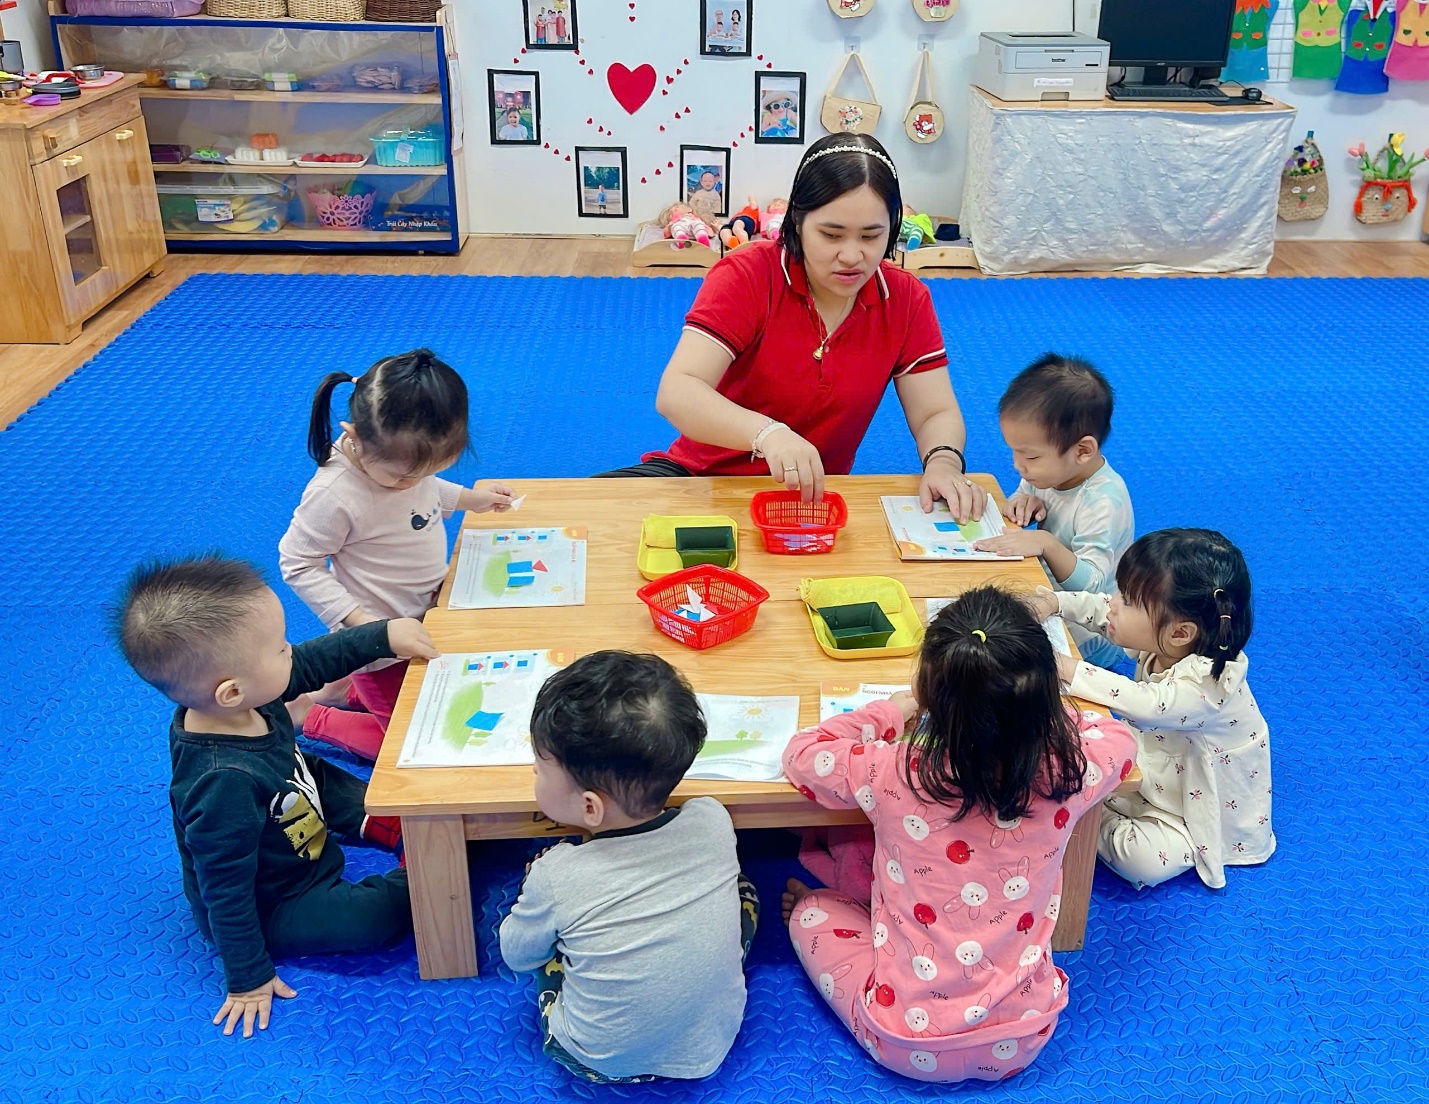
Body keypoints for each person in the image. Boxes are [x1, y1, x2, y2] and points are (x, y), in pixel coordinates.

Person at [781, 587, 1137, 1082]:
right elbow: (1118, 737)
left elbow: (803, 755)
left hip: (903, 1040)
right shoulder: (1068, 775)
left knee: (810, 910)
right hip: (1024, 1037)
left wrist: (890, 710)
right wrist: (1044, 715)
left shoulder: (895, 770)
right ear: (1043, 701)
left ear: (929, 694)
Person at [112, 556, 436, 1037]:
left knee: (321, 774)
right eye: (280, 649)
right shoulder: (220, 782)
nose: (292, 653)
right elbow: (224, 888)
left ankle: (383, 822)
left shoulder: (249, 695)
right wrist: (247, 978)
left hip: (292, 805)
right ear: (230, 691)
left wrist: (384, 637)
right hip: (277, 902)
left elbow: (313, 661)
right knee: (364, 922)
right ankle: (427, 877)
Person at [599, 133, 985, 523]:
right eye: (831, 235)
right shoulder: (748, 276)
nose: (852, 256)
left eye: (871, 236)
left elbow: (934, 412)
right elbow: (677, 391)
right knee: (585, 526)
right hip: (701, 480)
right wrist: (768, 435)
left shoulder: (904, 299)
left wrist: (943, 462)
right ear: (797, 222)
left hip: (807, 504)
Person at [499, 652, 758, 1083]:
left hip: (599, 1059)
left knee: (553, 951)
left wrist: (539, 884)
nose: (532, 770)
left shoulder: (558, 874)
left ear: (589, 808)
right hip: (710, 1046)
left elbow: (518, 955)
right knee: (744, 895)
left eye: (540, 766)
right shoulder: (713, 818)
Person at [278, 349, 514, 761]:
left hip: (425, 615)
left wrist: (471, 499)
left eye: (425, 471)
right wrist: (364, 627)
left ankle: (337, 685)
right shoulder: (334, 495)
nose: (413, 483)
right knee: (413, 742)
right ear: (353, 435)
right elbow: (298, 563)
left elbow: (424, 488)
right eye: (403, 475)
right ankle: (309, 713)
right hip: (379, 643)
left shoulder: (399, 464)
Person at [1032, 528, 1273, 890]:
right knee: (1083, 736)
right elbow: (1102, 611)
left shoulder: (1208, 683)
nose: (1113, 602)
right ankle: (1098, 805)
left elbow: (1147, 705)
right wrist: (1056, 603)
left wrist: (1066, 668)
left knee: (1141, 861)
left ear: (1180, 632)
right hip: (1164, 761)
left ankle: (1088, 815)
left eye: (1128, 600)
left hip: (1192, 808)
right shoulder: (1170, 638)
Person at [974, 355, 1134, 668]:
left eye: (1030, 457)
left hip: (1095, 627)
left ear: (1083, 451)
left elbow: (1092, 583)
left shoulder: (1103, 502)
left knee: (1000, 654)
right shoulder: (1051, 470)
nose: (1018, 465)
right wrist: (1023, 502)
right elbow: (1022, 494)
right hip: (1048, 593)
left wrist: (1046, 542)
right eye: (1014, 452)